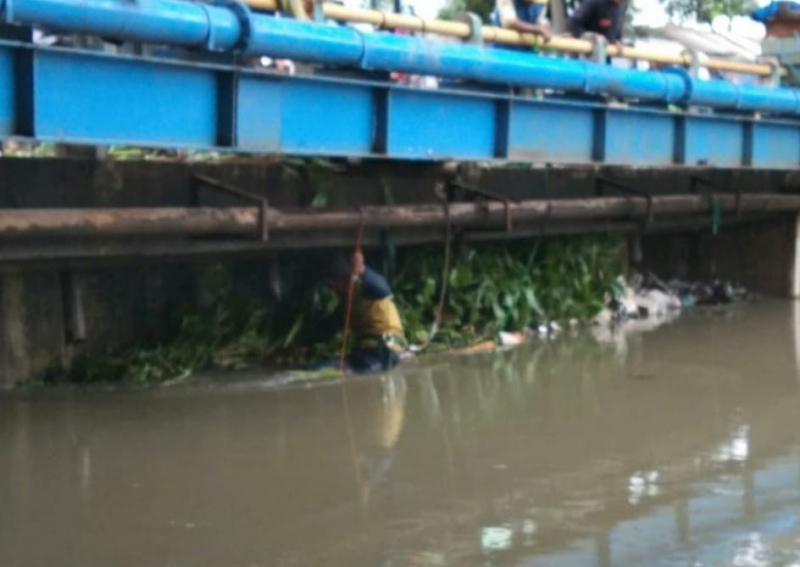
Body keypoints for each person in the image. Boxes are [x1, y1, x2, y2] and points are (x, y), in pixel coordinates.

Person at [323, 252, 407, 373]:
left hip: (384, 350)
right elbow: (333, 326)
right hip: (364, 352)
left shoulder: (365, 287)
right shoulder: (346, 301)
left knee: (365, 373)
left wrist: (362, 269)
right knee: (324, 367)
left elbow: (383, 288)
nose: (332, 288)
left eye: (333, 283)